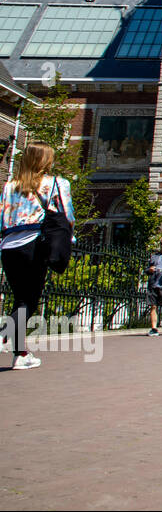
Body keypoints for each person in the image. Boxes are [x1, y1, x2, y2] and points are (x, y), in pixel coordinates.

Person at [0, 143, 74, 370]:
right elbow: (67, 216)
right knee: (29, 301)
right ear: (45, 161)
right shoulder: (55, 183)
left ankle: (20, 354)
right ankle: (3, 333)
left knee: (20, 298)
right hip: (34, 244)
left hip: (8, 246)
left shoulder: (10, 186)